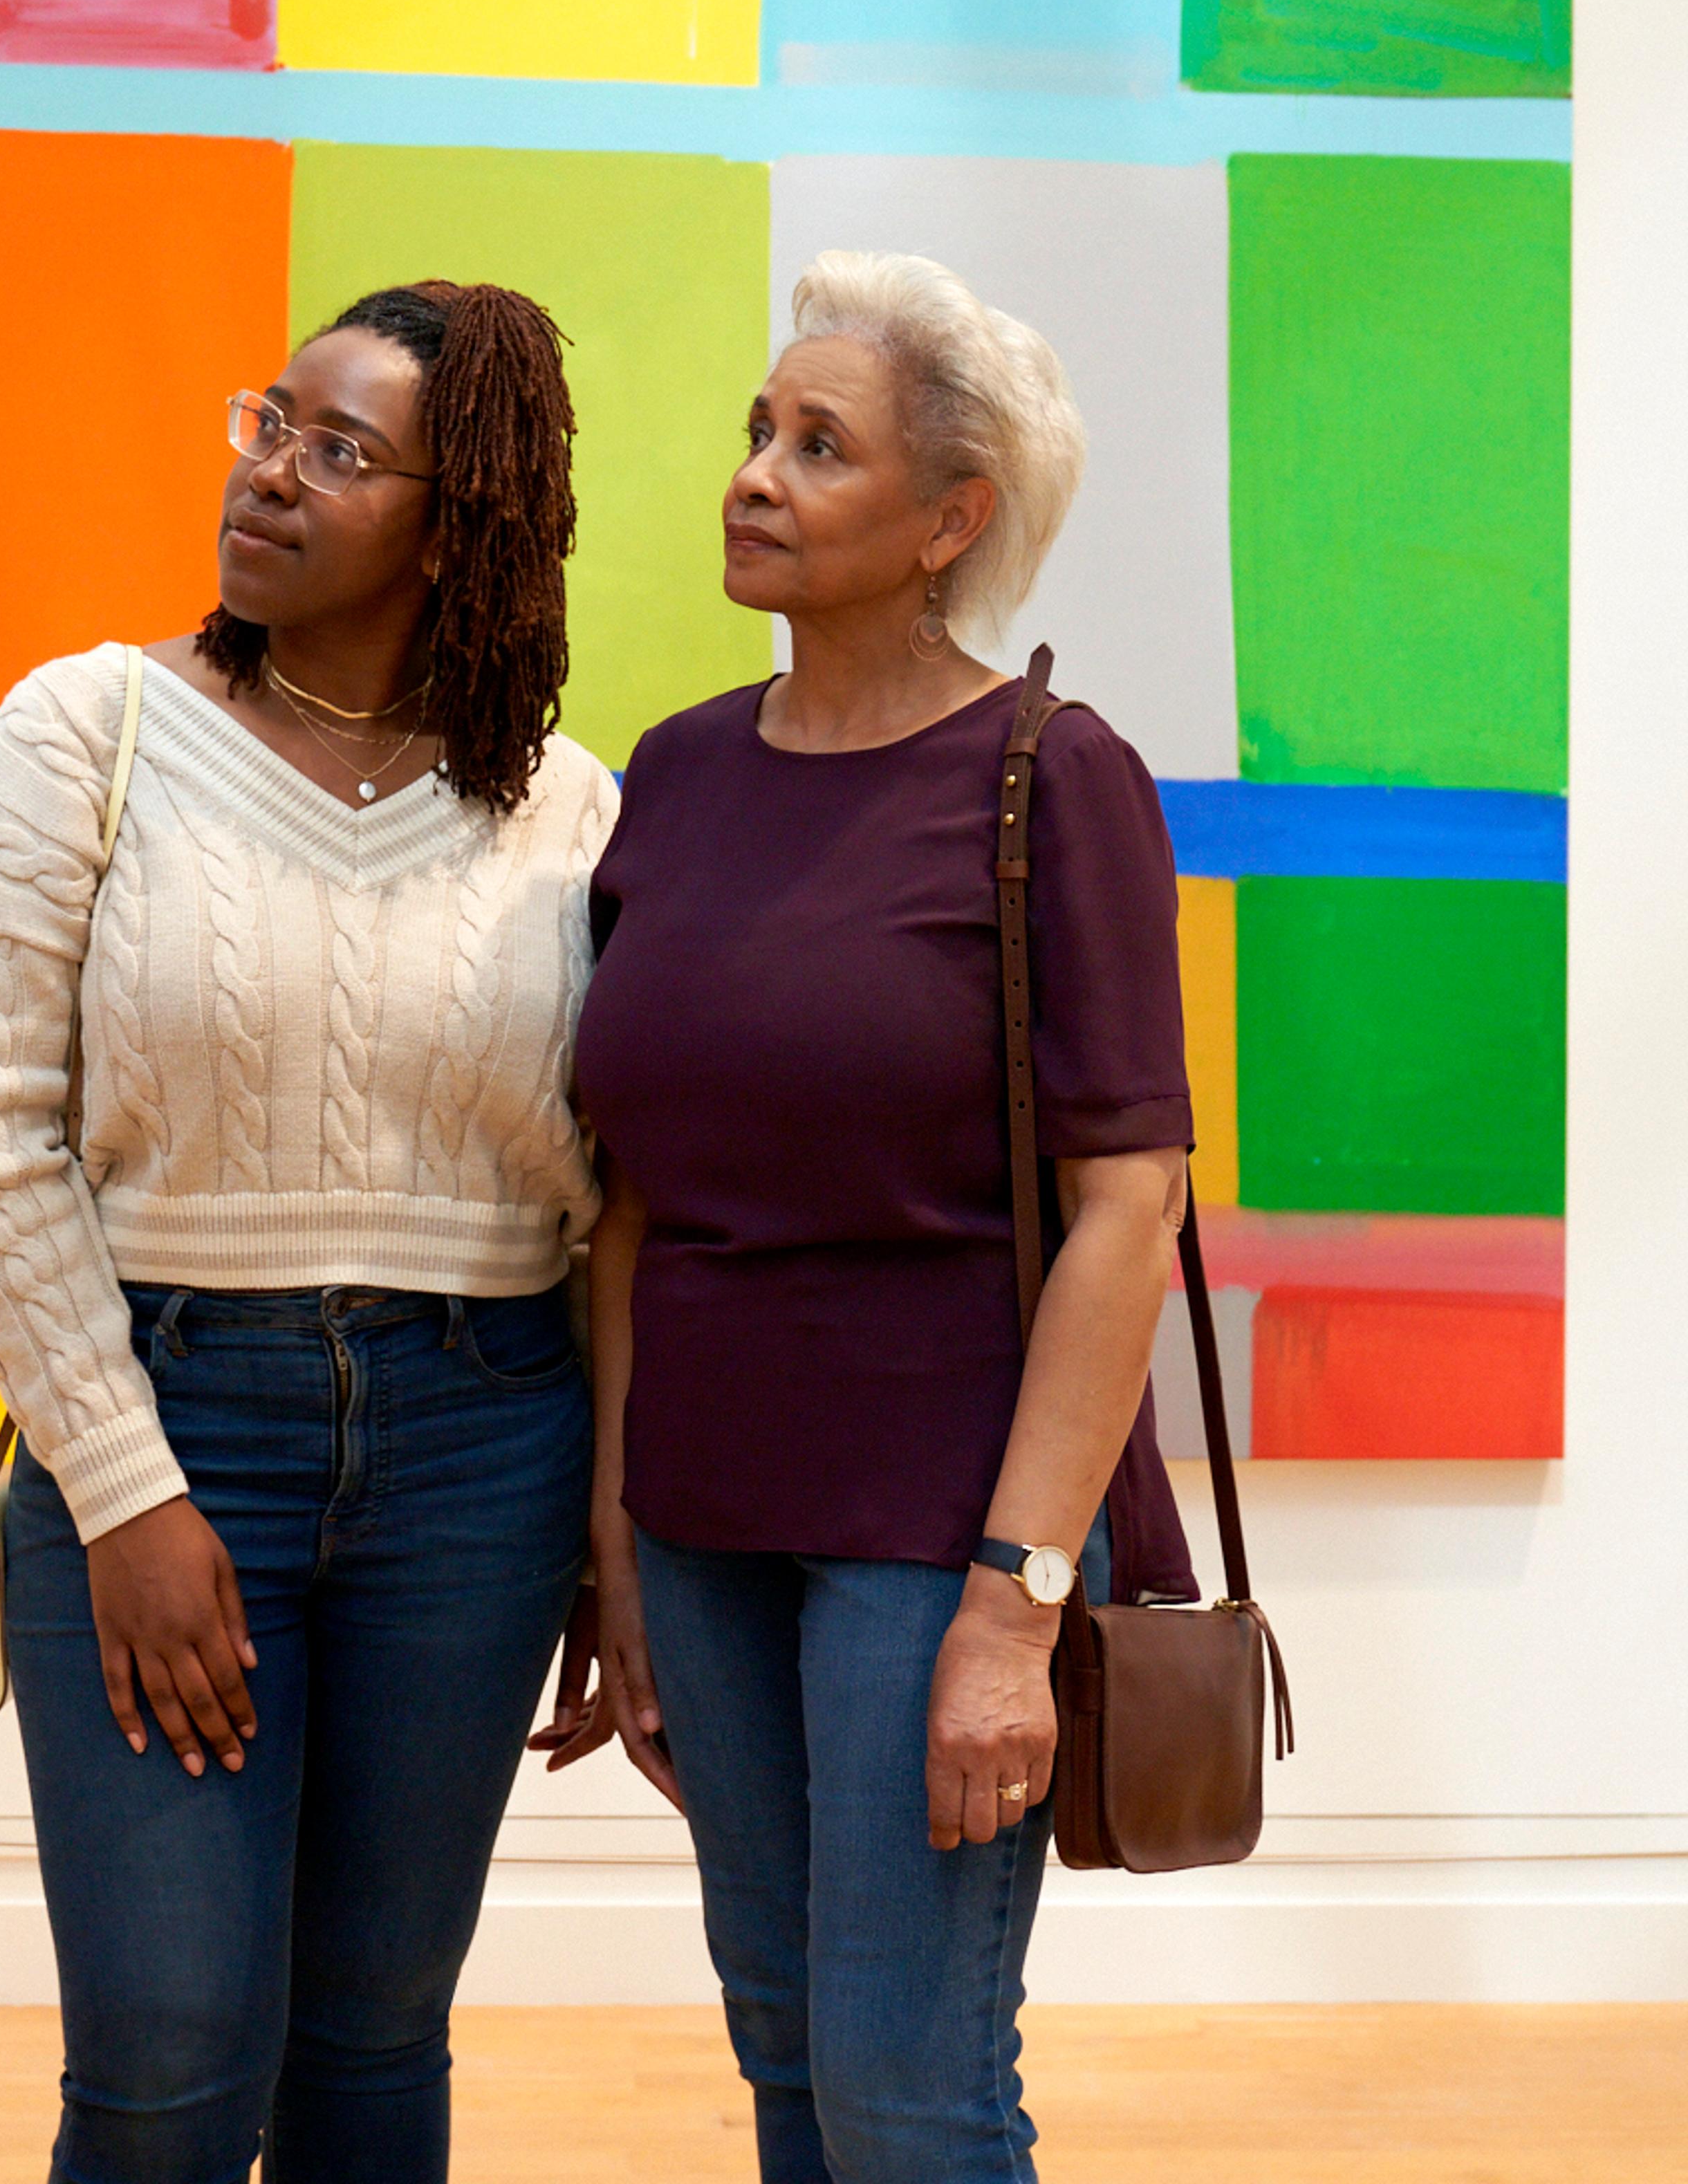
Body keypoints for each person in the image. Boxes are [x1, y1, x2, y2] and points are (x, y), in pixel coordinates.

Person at [0, 280, 612, 2184]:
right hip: (170, 1414)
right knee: (163, 2059)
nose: (270, 477)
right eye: (268, 426)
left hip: (483, 1443)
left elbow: (606, 1195)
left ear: (461, 523)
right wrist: (127, 1493)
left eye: (340, 451)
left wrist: (616, 1530)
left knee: (375, 2037)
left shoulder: (570, 808)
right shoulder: (88, 731)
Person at [566, 251, 1200, 2183]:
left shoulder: (1050, 776)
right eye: (760, 429)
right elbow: (633, 1204)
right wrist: (614, 1546)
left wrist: (1015, 1610)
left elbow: (1127, 1209)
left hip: (941, 1528)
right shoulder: (671, 776)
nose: (756, 470)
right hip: (707, 1517)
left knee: (908, 2089)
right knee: (784, 2051)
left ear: (951, 520)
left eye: (817, 445)